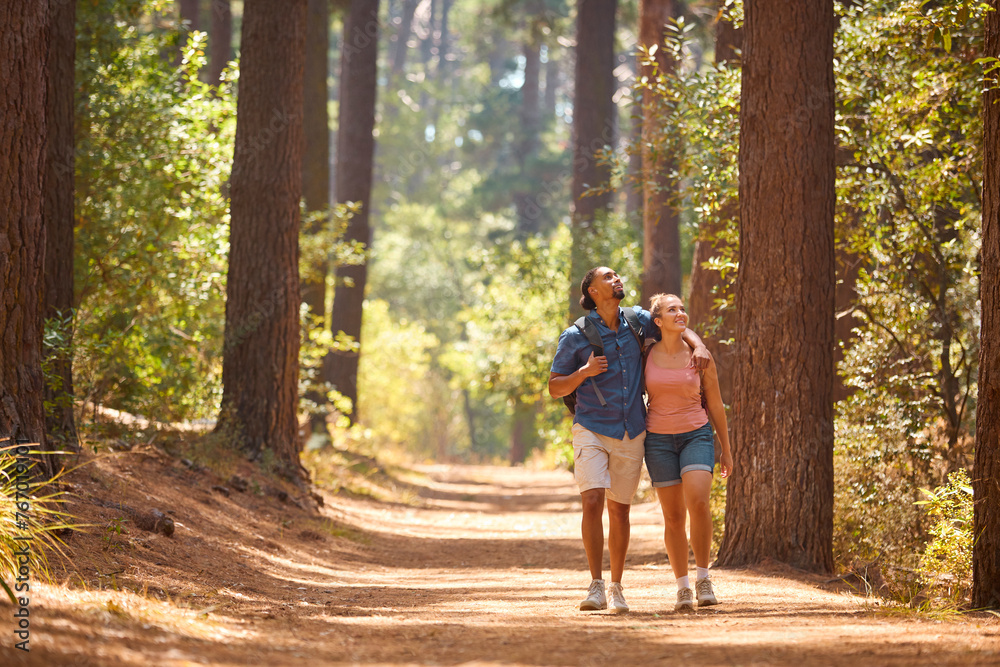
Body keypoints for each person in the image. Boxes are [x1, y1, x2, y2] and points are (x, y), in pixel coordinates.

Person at [548, 268, 710, 613]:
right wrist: (584, 372)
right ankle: (596, 585)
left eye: (618, 275)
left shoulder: (637, 320)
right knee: (592, 500)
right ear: (593, 291)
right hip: (591, 426)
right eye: (608, 277)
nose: (617, 279)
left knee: (619, 511)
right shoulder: (574, 336)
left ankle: (617, 587)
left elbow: (677, 326)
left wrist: (699, 345)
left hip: (632, 429)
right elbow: (555, 387)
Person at [643, 293, 733, 612]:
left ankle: (704, 577)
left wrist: (726, 447)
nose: (680, 313)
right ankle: (682, 586)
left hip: (696, 433)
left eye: (682, 308)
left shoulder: (700, 357)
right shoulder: (646, 355)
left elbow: (717, 403)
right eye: (672, 310)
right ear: (658, 321)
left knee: (698, 500)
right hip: (658, 441)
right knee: (673, 516)